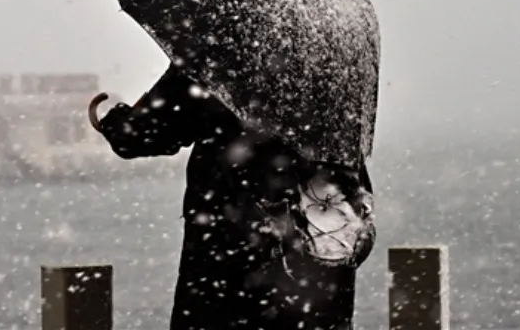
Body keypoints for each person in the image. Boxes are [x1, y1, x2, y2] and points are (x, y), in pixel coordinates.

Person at [89, 65, 375, 330]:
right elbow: (354, 198)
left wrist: (115, 120)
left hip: (230, 260)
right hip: (317, 282)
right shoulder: (336, 73)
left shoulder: (220, 54)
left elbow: (142, 133)